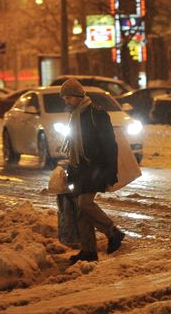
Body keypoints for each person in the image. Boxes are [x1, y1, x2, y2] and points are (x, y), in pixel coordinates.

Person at [60, 78, 125, 264]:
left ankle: (113, 232)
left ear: (78, 96)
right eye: (64, 98)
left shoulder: (96, 114)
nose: (66, 101)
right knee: (82, 210)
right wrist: (70, 170)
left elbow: (110, 145)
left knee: (85, 204)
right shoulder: (74, 117)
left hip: (95, 168)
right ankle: (88, 251)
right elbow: (73, 147)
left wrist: (110, 170)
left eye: (68, 97)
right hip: (80, 169)